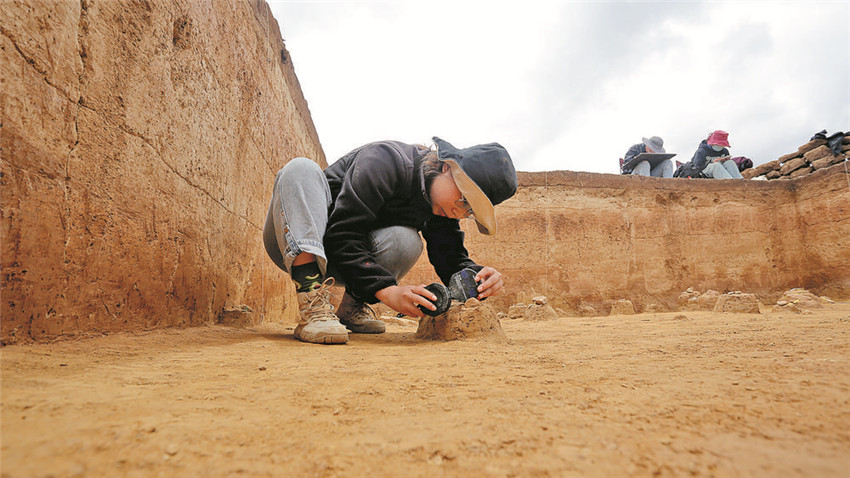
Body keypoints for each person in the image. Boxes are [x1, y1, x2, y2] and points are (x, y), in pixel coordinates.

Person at [263, 137, 518, 345]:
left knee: (405, 240)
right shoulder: (385, 160)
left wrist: (477, 277)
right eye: (464, 200)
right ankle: (312, 303)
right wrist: (387, 290)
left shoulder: (438, 205)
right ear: (447, 167)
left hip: (346, 265)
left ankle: (352, 308)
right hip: (295, 242)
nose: (459, 212)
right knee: (301, 168)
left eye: (469, 210)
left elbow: (449, 256)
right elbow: (342, 232)